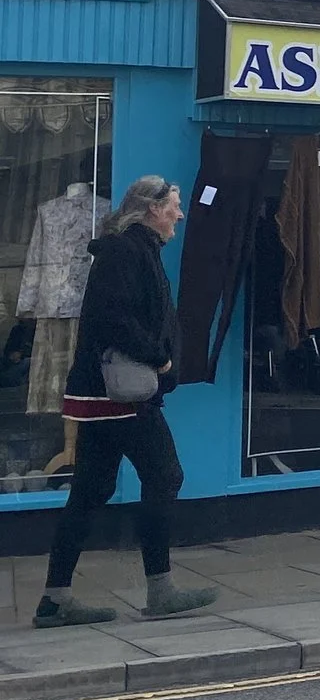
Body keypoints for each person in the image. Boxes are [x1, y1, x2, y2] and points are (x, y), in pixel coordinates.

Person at [33, 176, 218, 628]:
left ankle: (55, 599)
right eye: (174, 205)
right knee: (164, 475)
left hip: (101, 394)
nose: (179, 213)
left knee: (91, 491)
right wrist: (159, 359)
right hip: (119, 395)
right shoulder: (124, 252)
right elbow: (111, 317)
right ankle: (161, 590)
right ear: (152, 208)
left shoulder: (135, 250)